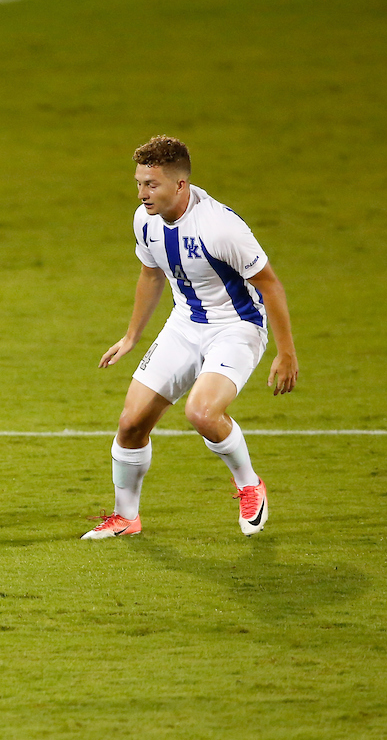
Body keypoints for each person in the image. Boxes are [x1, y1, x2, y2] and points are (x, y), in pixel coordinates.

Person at [84, 135, 298, 539]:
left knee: (201, 413)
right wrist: (131, 336)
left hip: (236, 327)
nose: (142, 193)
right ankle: (126, 518)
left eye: (152, 184)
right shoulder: (144, 220)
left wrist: (286, 353)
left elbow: (271, 286)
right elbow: (151, 274)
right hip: (185, 325)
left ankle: (250, 485)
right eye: (139, 183)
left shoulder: (220, 228)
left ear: (180, 185)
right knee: (130, 423)